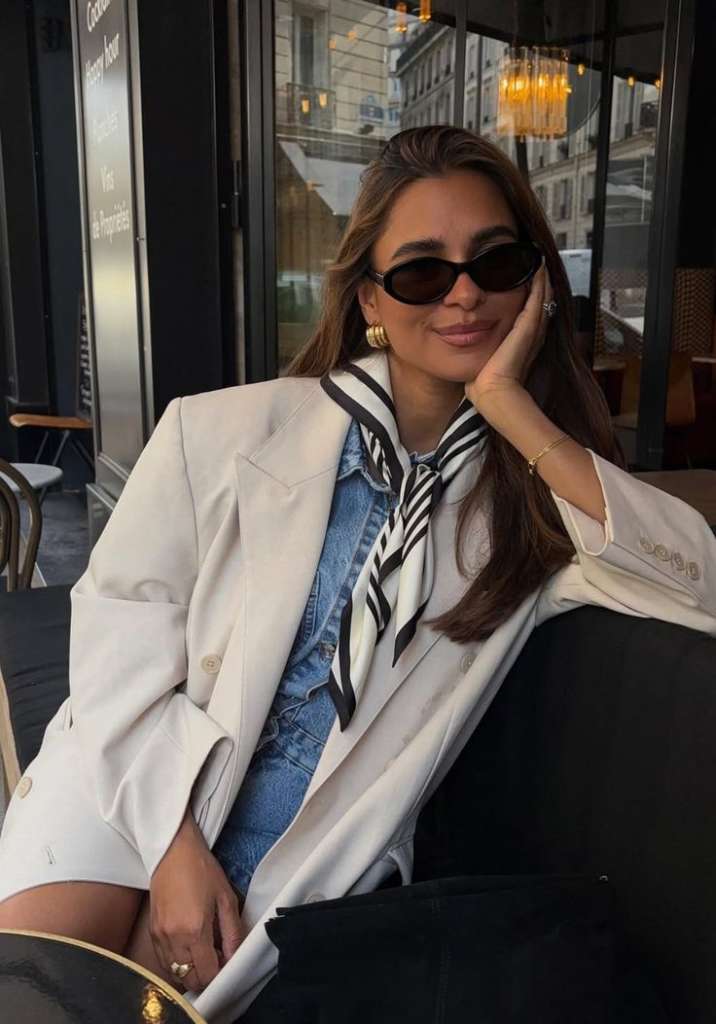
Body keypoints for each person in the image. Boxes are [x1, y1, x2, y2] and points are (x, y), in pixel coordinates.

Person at [1, 126, 715, 1023]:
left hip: (301, 853)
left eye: (496, 262)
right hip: (136, 779)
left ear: (534, 282)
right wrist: (173, 846)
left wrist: (512, 410)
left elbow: (698, 583)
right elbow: (117, 646)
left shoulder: (535, 514)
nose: (464, 293)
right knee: (33, 991)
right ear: (371, 295)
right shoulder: (219, 431)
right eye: (422, 272)